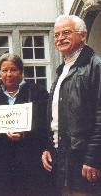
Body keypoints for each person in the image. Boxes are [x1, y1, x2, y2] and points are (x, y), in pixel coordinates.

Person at [0, 53, 58, 196]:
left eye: (13, 69)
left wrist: (24, 134)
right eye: (4, 70)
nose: (9, 74)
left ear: (21, 72)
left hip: (30, 162)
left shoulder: (37, 92)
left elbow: (45, 123)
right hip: (1, 166)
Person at [41, 15, 101, 195]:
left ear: (83, 35)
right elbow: (56, 117)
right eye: (56, 35)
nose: (60, 38)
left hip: (84, 158)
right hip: (61, 156)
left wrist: (93, 158)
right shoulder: (62, 69)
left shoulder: (96, 65)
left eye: (66, 33)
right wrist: (48, 146)